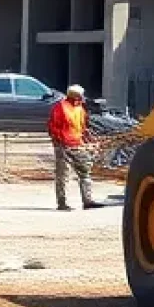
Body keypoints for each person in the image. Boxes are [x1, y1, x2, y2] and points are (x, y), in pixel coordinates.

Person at [47, 83, 97, 211]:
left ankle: (88, 200)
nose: (83, 98)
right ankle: (62, 203)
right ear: (75, 96)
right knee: (62, 175)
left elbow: (82, 126)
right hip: (63, 146)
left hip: (78, 144)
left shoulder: (80, 108)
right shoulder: (60, 108)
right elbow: (53, 127)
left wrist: (86, 137)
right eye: (81, 96)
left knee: (85, 172)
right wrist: (59, 143)